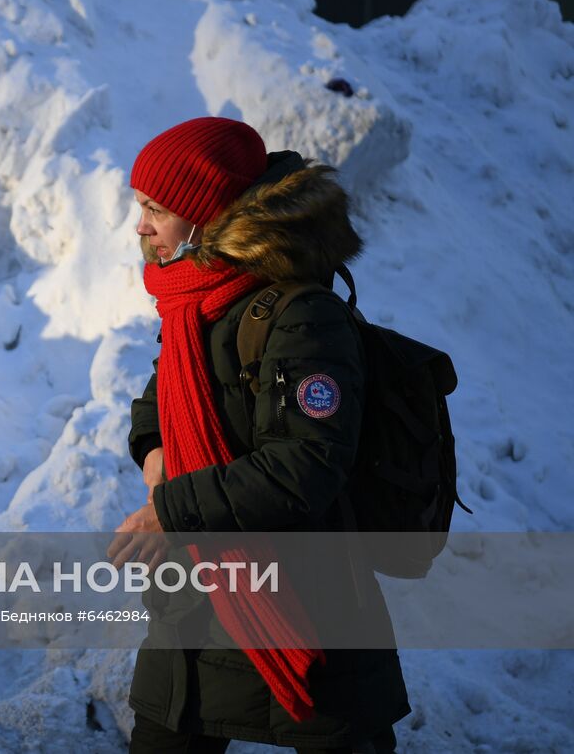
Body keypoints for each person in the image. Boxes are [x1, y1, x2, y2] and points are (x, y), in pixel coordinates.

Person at [110, 117, 409, 753]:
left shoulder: (302, 315)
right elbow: (156, 401)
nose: (140, 226)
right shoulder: (194, 299)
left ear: (204, 215)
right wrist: (158, 454)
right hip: (196, 597)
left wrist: (173, 511)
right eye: (139, 206)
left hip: (306, 600)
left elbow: (306, 464)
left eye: (155, 208)